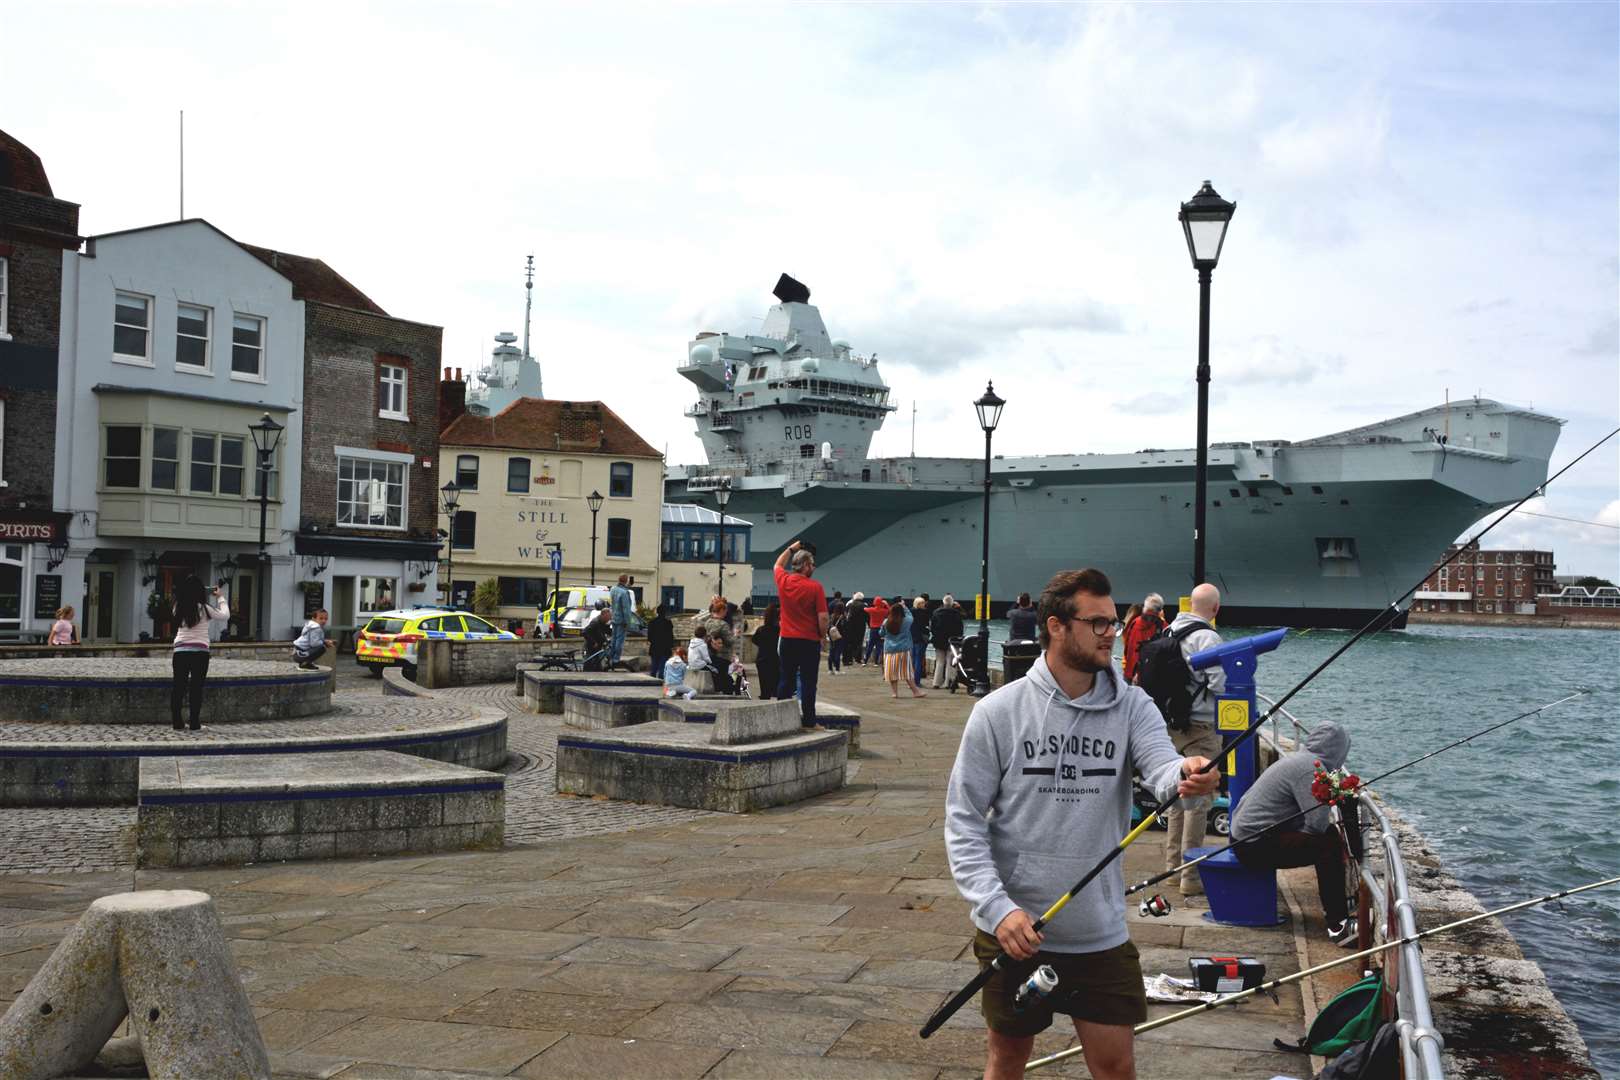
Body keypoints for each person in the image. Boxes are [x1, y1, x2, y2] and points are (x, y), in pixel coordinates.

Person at [945, 568, 1219, 1080]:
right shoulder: (996, 712)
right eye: (1096, 623)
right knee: (1005, 1060)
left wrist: (1185, 774)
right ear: (1056, 626)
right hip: (1013, 930)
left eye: (1113, 623)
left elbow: (1161, 767)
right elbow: (962, 819)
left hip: (1100, 932)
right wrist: (997, 908)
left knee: (1116, 1067)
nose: (1110, 634)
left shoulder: (1133, 705)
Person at [1232, 721, 1364, 947]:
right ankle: (1338, 925)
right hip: (1252, 845)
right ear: (1338, 750)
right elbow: (1316, 825)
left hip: (1247, 836)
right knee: (1327, 846)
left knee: (1329, 838)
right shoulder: (1310, 770)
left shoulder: (1299, 760)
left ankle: (1340, 905)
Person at [1162, 584, 1225, 896]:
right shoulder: (1207, 637)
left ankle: (1172, 870)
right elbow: (1221, 683)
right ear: (1215, 609)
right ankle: (1191, 877)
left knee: (1178, 796)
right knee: (1198, 801)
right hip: (1202, 726)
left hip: (1172, 725)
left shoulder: (1170, 629)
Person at [774, 539, 828, 727]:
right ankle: (809, 721)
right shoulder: (815, 587)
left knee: (785, 679)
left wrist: (791, 548)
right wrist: (823, 636)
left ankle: (780, 718)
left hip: (787, 639)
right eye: (812, 564)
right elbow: (823, 618)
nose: (814, 568)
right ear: (805, 565)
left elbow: (778, 564)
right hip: (808, 641)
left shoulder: (784, 580)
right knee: (808, 683)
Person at [170, 576, 230, 731]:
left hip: (181, 651)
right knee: (196, 688)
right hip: (200, 652)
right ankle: (194, 723)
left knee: (179, 686)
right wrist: (221, 598)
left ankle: (177, 722)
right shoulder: (205, 609)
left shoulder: (177, 607)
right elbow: (225, 616)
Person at [882, 600, 927, 699]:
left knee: (891, 672)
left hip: (889, 649)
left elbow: (881, 633)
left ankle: (895, 693)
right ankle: (915, 691)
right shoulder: (906, 621)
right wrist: (904, 606)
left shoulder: (886, 622)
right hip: (903, 648)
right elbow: (911, 616)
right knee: (907, 672)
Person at [1121, 593, 1166, 685]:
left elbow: (1132, 649)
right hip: (1151, 674)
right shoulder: (1163, 625)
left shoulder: (1135, 623)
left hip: (1131, 672)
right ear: (1159, 609)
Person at [929, 594, 965, 689]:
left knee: (940, 662)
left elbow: (932, 627)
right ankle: (948, 682)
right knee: (950, 662)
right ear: (952, 603)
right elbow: (960, 628)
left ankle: (936, 682)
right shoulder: (956, 613)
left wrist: (936, 635)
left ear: (943, 602)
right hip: (952, 641)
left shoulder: (936, 613)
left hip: (939, 640)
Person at [752, 601, 780, 700]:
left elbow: (754, 640)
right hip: (777, 660)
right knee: (777, 690)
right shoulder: (781, 630)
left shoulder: (761, 630)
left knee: (764, 691)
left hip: (763, 660)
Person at [609, 575, 634, 663]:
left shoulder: (613, 589)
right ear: (626, 580)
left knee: (614, 638)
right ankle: (616, 659)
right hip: (622, 620)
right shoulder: (624, 593)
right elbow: (626, 609)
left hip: (614, 618)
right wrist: (628, 622)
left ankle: (610, 656)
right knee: (619, 640)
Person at [647, 603, 675, 679]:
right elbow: (671, 636)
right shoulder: (668, 623)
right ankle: (660, 679)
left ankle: (652, 679)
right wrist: (672, 646)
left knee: (654, 665)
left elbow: (649, 637)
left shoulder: (652, 623)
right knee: (662, 666)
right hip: (665, 648)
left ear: (657, 612)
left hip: (654, 647)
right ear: (665, 612)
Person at [909, 595, 931, 687]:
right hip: (921, 639)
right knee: (919, 660)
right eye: (922, 603)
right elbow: (926, 626)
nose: (924, 604)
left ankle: (911, 681)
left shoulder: (910, 613)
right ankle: (916, 681)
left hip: (912, 638)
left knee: (913, 660)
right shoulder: (925, 613)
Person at [863, 594, 890, 665]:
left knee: (870, 645)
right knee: (879, 645)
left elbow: (864, 609)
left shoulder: (871, 610)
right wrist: (886, 604)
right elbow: (889, 610)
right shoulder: (884, 611)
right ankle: (876, 662)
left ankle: (865, 661)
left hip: (873, 629)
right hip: (881, 629)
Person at [845, 592, 868, 667]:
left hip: (850, 626)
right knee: (859, 642)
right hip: (860, 626)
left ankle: (849, 659)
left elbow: (846, 615)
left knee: (849, 642)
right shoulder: (864, 606)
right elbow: (867, 617)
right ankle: (858, 658)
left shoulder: (849, 605)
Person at [827, 599, 845, 676]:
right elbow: (844, 627)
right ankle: (837, 669)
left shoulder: (831, 616)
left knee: (831, 651)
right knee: (838, 652)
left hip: (832, 636)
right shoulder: (842, 617)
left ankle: (830, 669)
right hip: (840, 636)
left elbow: (828, 625)